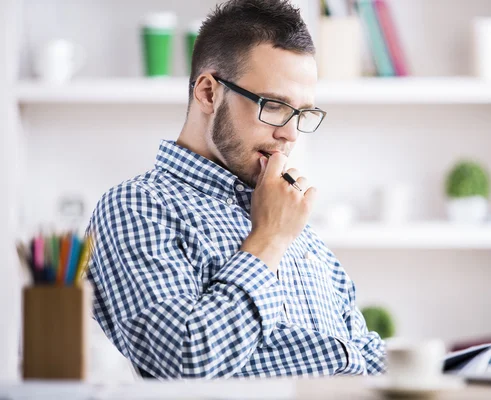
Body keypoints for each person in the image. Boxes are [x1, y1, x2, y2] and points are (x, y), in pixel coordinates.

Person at [87, 0, 386, 378]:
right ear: (209, 93)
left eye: (302, 113)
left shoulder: (287, 217)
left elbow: (361, 350)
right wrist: (270, 240)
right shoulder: (136, 208)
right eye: (275, 106)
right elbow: (184, 365)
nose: (291, 134)